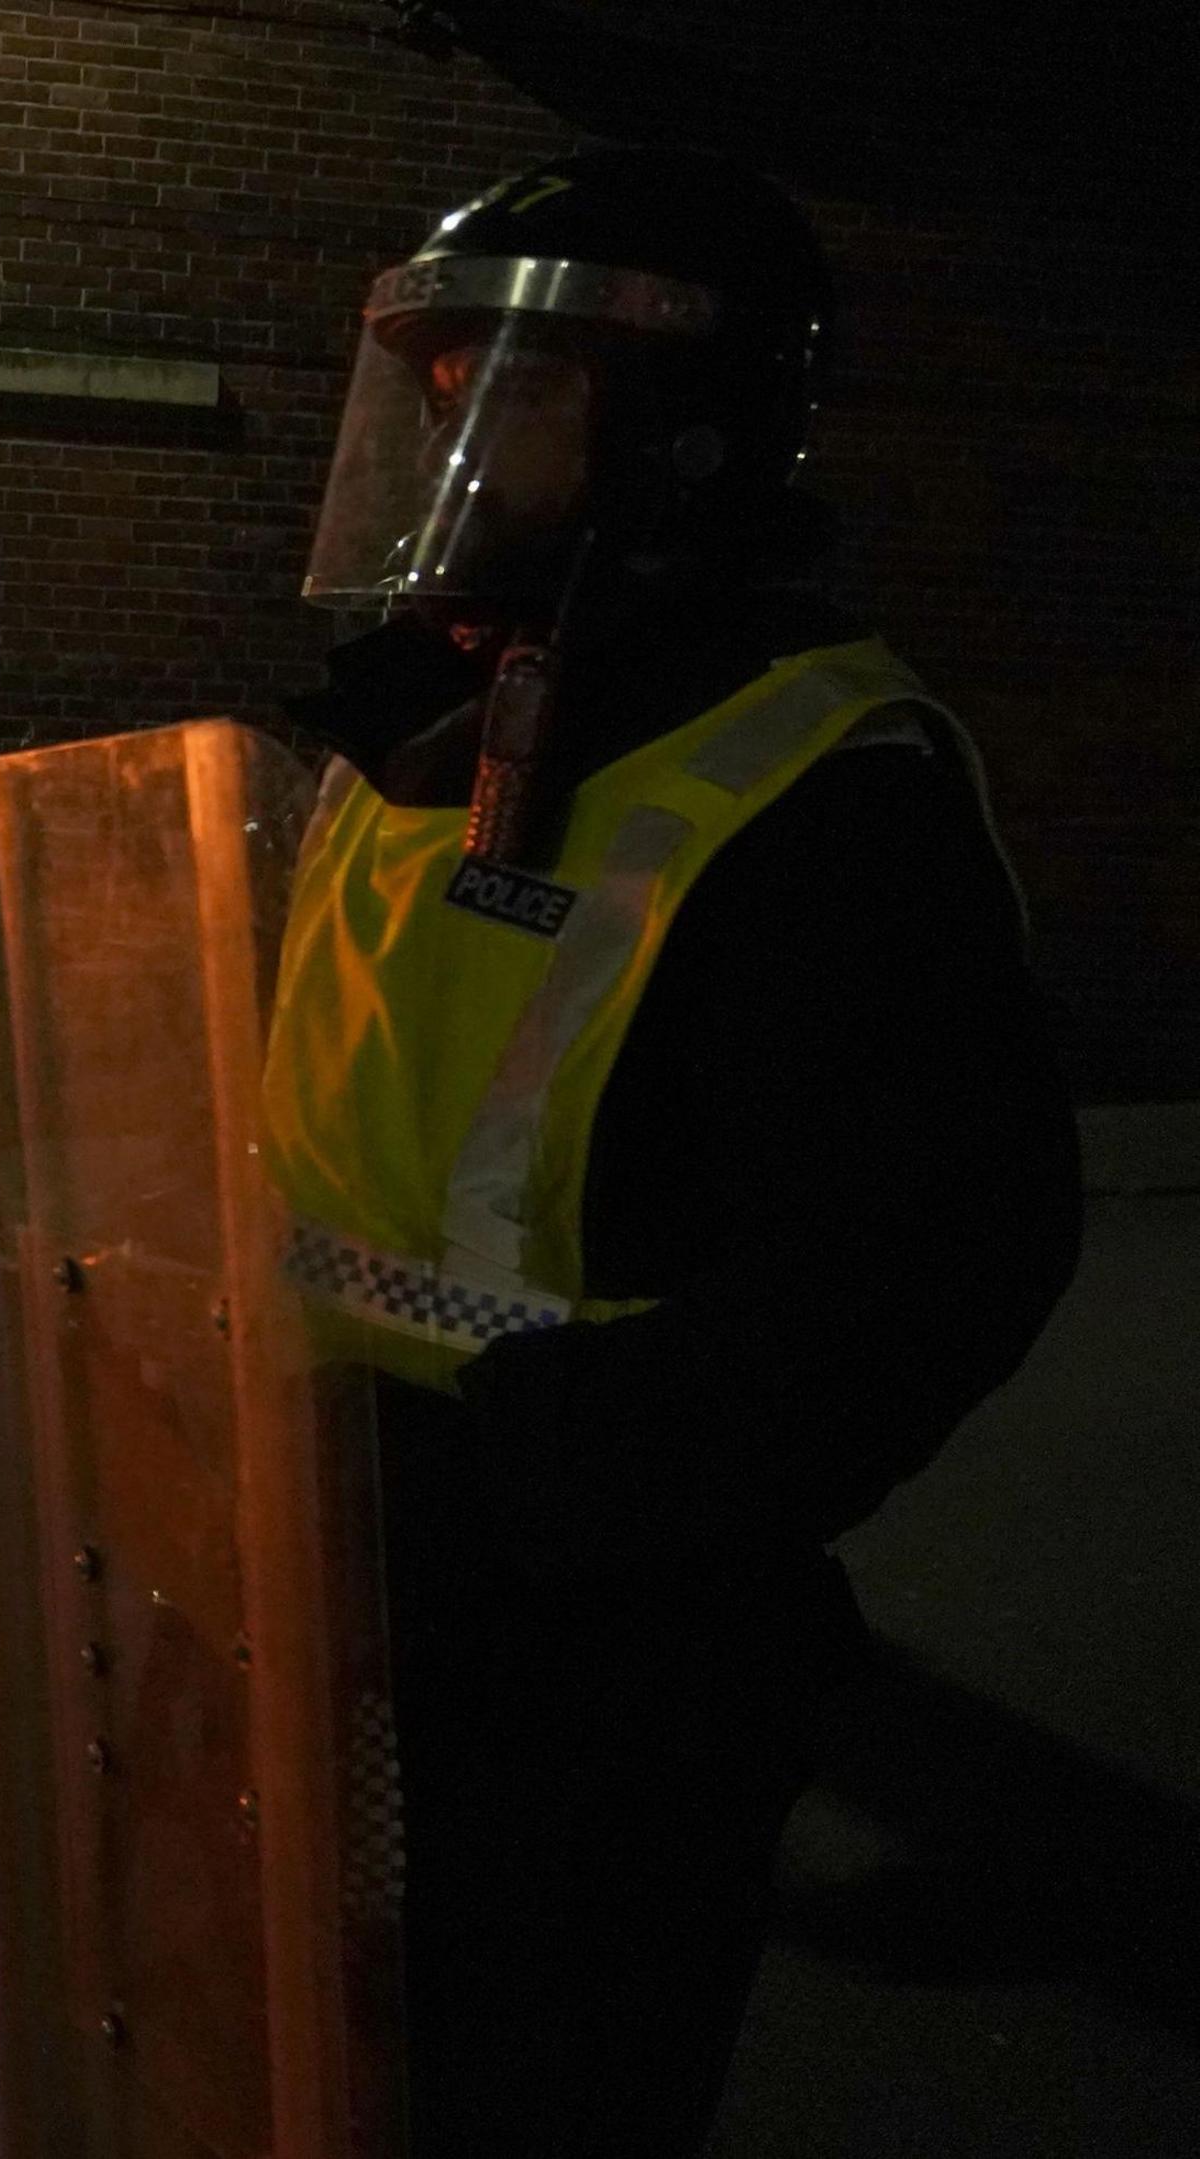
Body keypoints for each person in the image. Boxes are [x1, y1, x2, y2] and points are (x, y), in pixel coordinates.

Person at [259, 147, 1079, 2154]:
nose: (454, 441)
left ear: (679, 426)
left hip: (595, 1653)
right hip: (333, 1558)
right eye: (435, 396)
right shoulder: (429, 728)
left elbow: (940, 1256)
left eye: (512, 392)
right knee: (317, 2053)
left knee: (529, 2089)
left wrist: (581, 1458)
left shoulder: (812, 783)